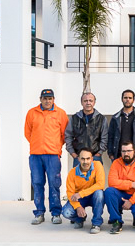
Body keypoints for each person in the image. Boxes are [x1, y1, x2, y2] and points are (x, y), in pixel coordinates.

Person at [24, 88, 68, 225]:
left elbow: (64, 134)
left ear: (53, 99)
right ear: (40, 99)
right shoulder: (32, 113)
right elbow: (27, 132)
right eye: (45, 98)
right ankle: (39, 213)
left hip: (53, 155)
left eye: (50, 98)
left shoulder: (60, 113)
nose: (47, 101)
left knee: (54, 184)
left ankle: (56, 213)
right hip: (36, 155)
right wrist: (37, 145)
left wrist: (55, 147)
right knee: (37, 183)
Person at [104, 140, 135, 233]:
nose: (126, 154)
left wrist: (131, 201)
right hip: (121, 194)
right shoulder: (116, 163)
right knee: (109, 191)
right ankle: (117, 221)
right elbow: (112, 182)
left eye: (129, 151)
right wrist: (131, 184)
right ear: (120, 152)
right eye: (124, 151)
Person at [61, 147, 106, 233]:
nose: (85, 162)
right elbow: (70, 193)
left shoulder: (98, 165)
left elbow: (100, 184)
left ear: (92, 159)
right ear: (78, 159)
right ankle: (80, 218)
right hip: (80, 199)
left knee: (99, 193)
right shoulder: (72, 173)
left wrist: (81, 194)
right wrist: (77, 207)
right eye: (83, 159)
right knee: (66, 212)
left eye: (88, 158)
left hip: (93, 196)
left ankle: (96, 223)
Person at [106, 89, 135, 162]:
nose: (127, 100)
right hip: (118, 155)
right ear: (122, 99)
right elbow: (110, 136)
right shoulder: (115, 118)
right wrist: (110, 153)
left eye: (130, 98)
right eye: (125, 98)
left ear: (133, 100)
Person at [65, 92, 107, 166]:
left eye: (90, 100)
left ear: (94, 102)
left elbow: (105, 137)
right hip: (79, 157)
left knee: (96, 178)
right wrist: (73, 153)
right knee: (78, 178)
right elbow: (68, 136)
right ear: (81, 102)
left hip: (95, 157)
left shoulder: (102, 119)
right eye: (85, 101)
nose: (88, 103)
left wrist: (99, 153)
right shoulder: (74, 118)